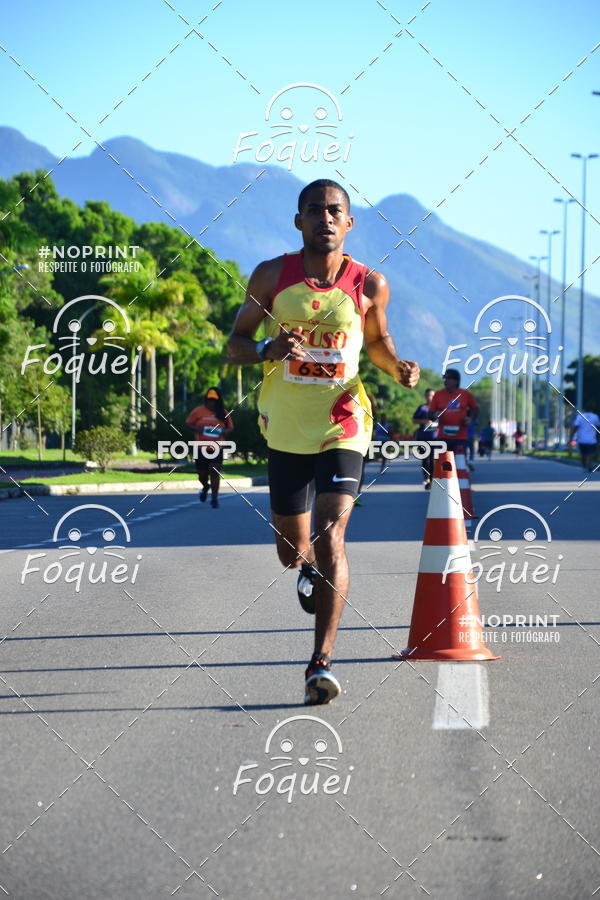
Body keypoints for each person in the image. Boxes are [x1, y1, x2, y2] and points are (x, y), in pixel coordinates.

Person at [227, 179, 420, 705]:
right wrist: (268, 348)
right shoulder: (272, 276)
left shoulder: (369, 283)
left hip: (344, 423)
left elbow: (377, 342)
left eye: (335, 211)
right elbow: (234, 345)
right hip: (286, 427)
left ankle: (321, 662)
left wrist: (397, 367)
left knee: (333, 533)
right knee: (293, 550)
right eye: (315, 211)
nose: (325, 219)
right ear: (299, 220)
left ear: (349, 222)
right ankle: (308, 567)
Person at [185, 387, 233, 508]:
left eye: (214, 400)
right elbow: (188, 423)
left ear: (218, 401)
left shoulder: (223, 412)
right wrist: (197, 429)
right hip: (200, 448)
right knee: (202, 474)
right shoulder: (198, 411)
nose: (212, 402)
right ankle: (205, 486)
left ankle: (214, 498)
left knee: (214, 471)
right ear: (206, 400)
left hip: (217, 447)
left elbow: (230, 427)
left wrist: (224, 432)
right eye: (209, 400)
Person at [429, 369, 478, 459]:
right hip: (443, 437)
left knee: (460, 463)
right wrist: (435, 415)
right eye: (444, 378)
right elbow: (430, 414)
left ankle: (462, 471)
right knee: (444, 465)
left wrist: (470, 419)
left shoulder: (465, 394)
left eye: (448, 378)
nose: (445, 381)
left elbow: (475, 408)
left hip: (460, 437)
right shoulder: (438, 394)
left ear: (456, 381)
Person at [412, 387, 437, 489]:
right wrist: (424, 421)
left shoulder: (439, 408)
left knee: (432, 460)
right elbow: (414, 420)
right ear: (425, 396)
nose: (430, 397)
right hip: (423, 437)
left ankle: (431, 480)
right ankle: (426, 478)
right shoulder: (422, 408)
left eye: (432, 395)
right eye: (428, 395)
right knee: (425, 460)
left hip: (435, 438)